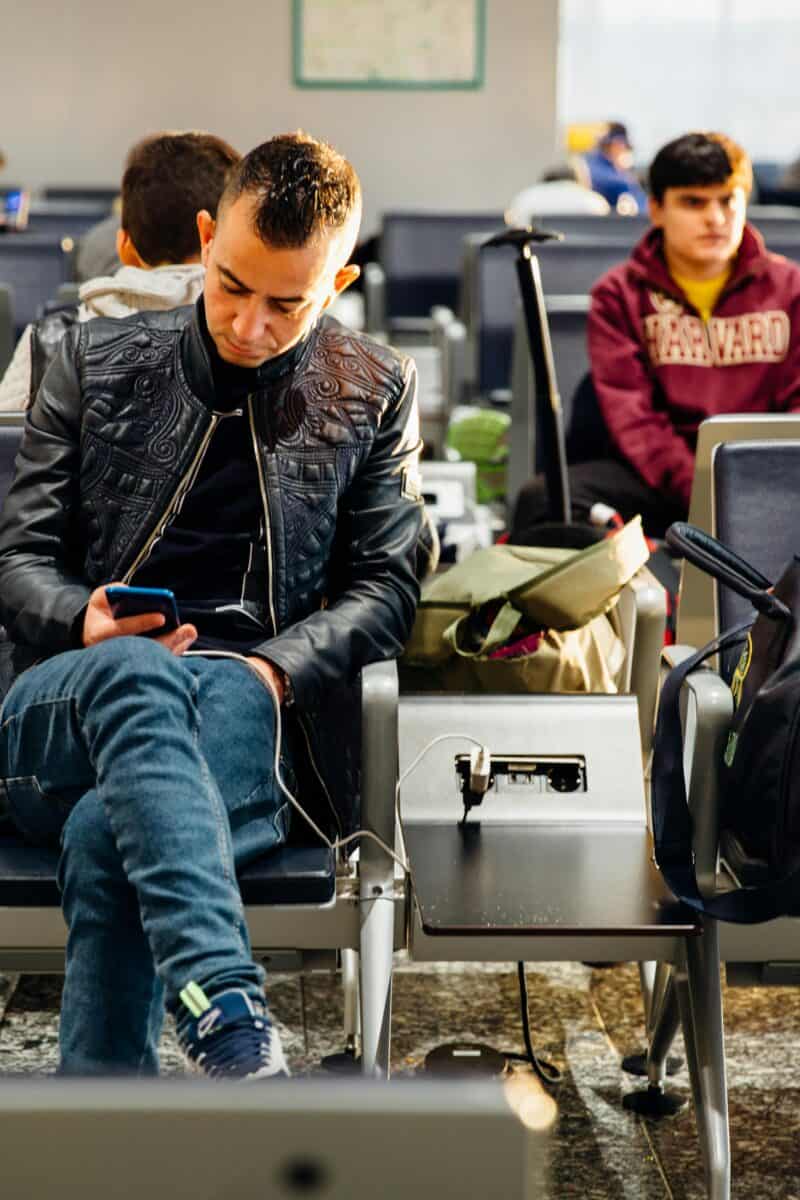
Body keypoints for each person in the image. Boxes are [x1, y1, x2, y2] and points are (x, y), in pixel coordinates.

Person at [0, 131, 423, 1077]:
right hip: (63, 709)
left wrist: (275, 667)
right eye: (231, 285)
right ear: (204, 236)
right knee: (139, 671)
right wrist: (83, 620)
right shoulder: (89, 359)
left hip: (245, 721)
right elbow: (17, 561)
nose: (249, 325)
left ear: (341, 281)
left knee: (112, 834)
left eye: (288, 303)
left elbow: (390, 587)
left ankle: (122, 1125)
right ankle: (228, 1004)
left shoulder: (375, 389)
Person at [512, 131, 800, 540]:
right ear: (657, 209)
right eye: (693, 202)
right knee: (542, 500)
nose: (715, 218)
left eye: (727, 200)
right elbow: (636, 421)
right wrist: (705, 494)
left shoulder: (791, 290)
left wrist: (755, 492)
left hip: (766, 481)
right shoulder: (619, 295)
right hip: (658, 482)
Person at [0, 130, 240, 411]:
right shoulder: (259, 343)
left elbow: (8, 442)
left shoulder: (45, 344)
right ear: (216, 239)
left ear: (124, 245)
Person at [506, 163, 610, 227]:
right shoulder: (594, 201)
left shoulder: (525, 198)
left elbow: (515, 226)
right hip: (587, 259)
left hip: (536, 256)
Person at [579, 122, 647, 215]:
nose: (623, 150)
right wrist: (626, 176)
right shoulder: (596, 164)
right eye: (622, 146)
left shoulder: (618, 169)